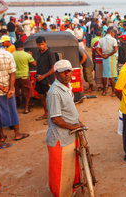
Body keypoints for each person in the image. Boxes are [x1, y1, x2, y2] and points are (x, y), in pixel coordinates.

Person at [46, 60, 84, 197]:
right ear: (56, 74)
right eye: (63, 72)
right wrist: (73, 126)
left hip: (69, 133)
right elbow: (55, 119)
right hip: (60, 137)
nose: (67, 74)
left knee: (69, 166)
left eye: (69, 71)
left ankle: (70, 190)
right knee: (60, 170)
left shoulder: (66, 86)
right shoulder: (54, 92)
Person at [0, 36, 29, 142]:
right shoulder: (8, 54)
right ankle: (17, 134)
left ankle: (1, 136)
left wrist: (2, 88)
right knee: (12, 111)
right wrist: (10, 89)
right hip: (9, 88)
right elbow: (12, 74)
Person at [35, 36, 57, 121]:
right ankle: (46, 114)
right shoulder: (38, 52)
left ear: (45, 43)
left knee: (51, 98)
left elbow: (53, 68)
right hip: (39, 79)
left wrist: (43, 76)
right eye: (39, 45)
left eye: (42, 44)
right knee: (41, 96)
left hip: (48, 80)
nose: (41, 46)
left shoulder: (50, 53)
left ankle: (54, 117)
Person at [13, 39, 36, 114]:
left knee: (16, 93)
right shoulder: (27, 55)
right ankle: (26, 108)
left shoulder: (11, 54)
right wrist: (31, 56)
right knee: (27, 93)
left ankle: (16, 108)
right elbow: (34, 64)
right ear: (23, 46)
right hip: (24, 76)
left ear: (15, 46)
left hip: (15, 77)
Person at [97, 28, 118, 96]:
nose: (114, 34)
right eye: (114, 33)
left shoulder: (101, 39)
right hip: (111, 57)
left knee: (105, 75)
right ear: (111, 32)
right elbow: (115, 50)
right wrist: (108, 55)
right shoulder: (113, 40)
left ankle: (104, 91)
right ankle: (113, 92)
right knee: (111, 75)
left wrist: (102, 55)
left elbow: (97, 49)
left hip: (104, 57)